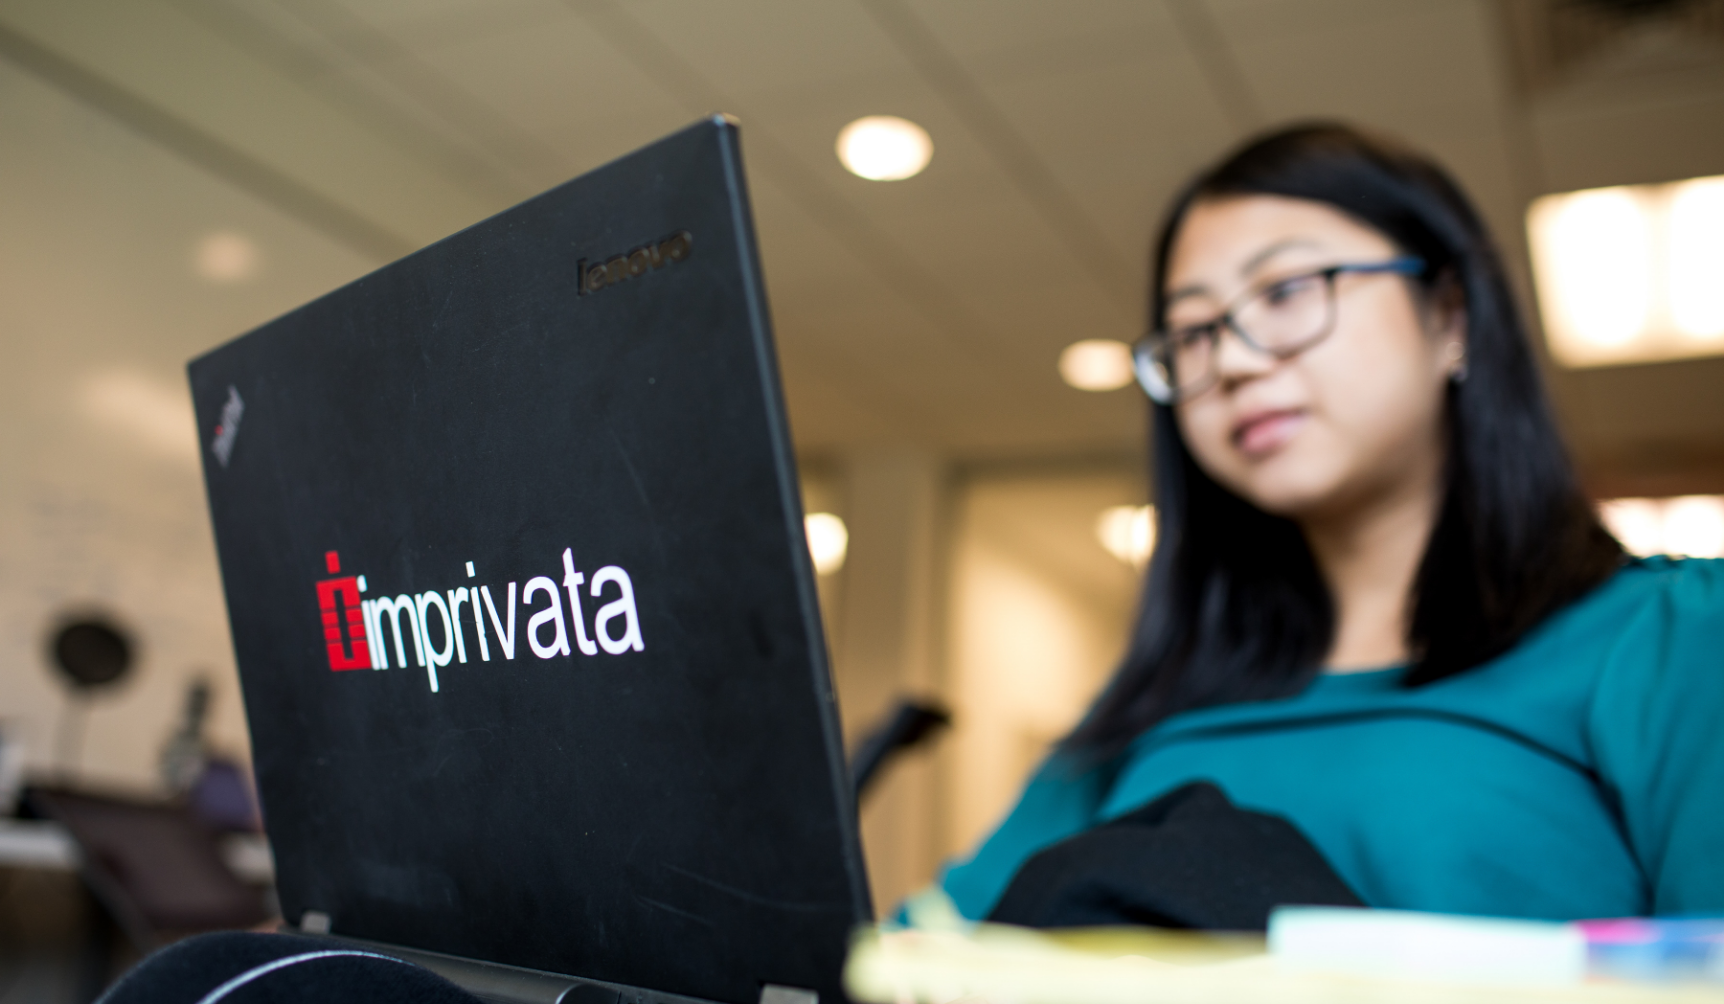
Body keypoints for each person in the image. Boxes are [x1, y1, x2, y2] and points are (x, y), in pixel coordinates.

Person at [938, 123, 1724, 923]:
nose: (1236, 362)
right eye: (1193, 333)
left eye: (1285, 292)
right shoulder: (1157, 695)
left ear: (1449, 318)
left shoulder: (1673, 639)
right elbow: (926, 951)